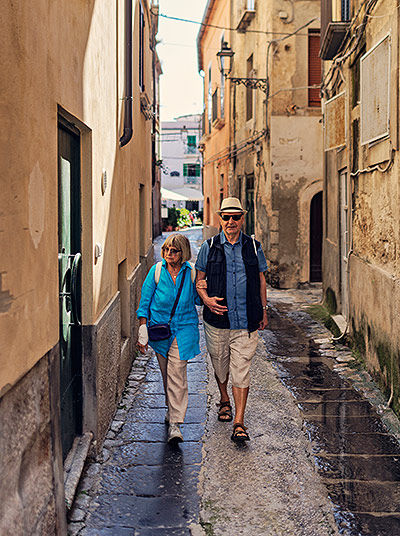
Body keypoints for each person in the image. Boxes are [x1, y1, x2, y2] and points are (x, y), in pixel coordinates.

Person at [195, 197, 268, 443]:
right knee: (220, 365)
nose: (231, 221)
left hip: (246, 321)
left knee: (241, 370)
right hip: (217, 321)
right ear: (221, 219)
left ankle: (239, 422)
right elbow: (199, 281)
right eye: (226, 217)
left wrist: (264, 310)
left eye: (235, 217)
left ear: (242, 219)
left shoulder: (254, 247)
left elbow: (260, 280)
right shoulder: (209, 246)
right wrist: (206, 299)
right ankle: (223, 398)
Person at [137, 234, 200, 443]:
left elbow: (199, 299)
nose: (168, 254)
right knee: (167, 375)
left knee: (177, 373)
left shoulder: (191, 272)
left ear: (183, 253)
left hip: (184, 329)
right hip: (160, 330)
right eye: (166, 250)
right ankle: (172, 409)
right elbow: (145, 301)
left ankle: (175, 424)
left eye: (173, 251)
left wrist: (205, 287)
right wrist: (142, 330)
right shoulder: (156, 271)